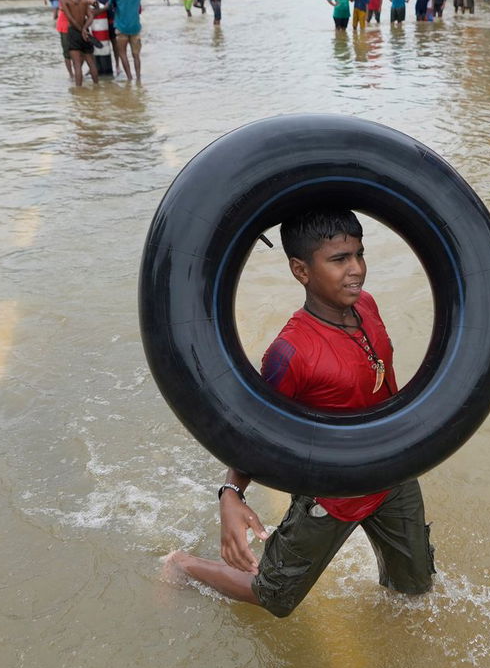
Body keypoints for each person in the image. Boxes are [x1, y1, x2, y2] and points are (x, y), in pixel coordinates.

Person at [162, 209, 436, 618]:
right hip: (332, 492)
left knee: (414, 589)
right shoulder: (291, 353)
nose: (357, 270)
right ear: (300, 269)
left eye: (360, 254)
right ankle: (182, 564)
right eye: (339, 260)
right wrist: (231, 493)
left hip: (390, 475)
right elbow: (252, 428)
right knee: (274, 597)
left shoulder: (369, 306)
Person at [58, 0, 98, 86]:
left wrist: (81, 31)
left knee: (76, 64)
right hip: (85, 31)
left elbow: (70, 19)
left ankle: (79, 92)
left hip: (74, 32)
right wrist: (85, 29)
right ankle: (97, 87)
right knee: (91, 62)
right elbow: (91, 16)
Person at [108, 0, 144, 81]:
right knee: (136, 56)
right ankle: (138, 78)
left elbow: (109, 5)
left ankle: (129, 78)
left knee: (123, 54)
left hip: (121, 27)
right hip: (135, 27)